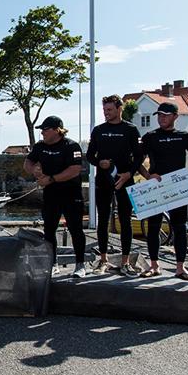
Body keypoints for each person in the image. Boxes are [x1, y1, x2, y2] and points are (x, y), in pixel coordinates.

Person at [137, 102, 188, 281]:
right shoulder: (150, 137)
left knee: (180, 227)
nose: (162, 118)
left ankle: (180, 268)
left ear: (175, 116)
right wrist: (148, 176)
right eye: (159, 115)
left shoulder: (184, 137)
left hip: (178, 187)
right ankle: (154, 266)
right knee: (153, 227)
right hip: (156, 186)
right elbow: (137, 162)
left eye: (166, 115)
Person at [86, 94, 143, 276]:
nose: (106, 113)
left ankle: (126, 262)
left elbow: (139, 156)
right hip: (104, 179)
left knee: (125, 220)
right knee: (102, 219)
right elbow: (89, 155)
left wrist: (129, 174)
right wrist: (98, 163)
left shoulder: (131, 130)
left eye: (109, 110)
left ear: (119, 109)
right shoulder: (98, 130)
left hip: (124, 179)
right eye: (104, 110)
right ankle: (103, 260)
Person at [24, 116, 87, 278]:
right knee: (49, 229)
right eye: (42, 130)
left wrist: (51, 179)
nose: (42, 133)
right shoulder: (40, 146)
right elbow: (27, 164)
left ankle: (80, 265)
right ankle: (53, 263)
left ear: (57, 130)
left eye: (45, 129)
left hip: (71, 193)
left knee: (76, 228)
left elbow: (74, 169)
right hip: (51, 194)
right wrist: (35, 170)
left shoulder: (71, 146)